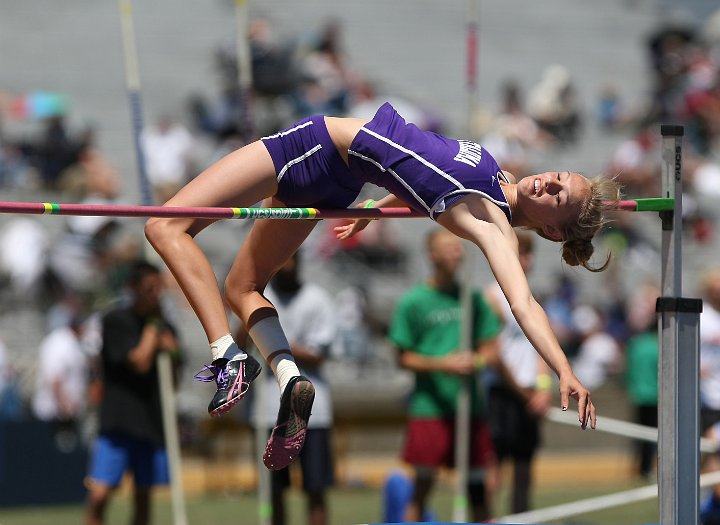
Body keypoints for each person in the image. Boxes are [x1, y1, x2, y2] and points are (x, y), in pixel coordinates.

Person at [145, 101, 611, 469]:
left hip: (321, 146)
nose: (549, 182)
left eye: (558, 196)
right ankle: (290, 379)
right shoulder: (500, 177)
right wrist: (375, 208)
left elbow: (524, 303)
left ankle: (226, 355)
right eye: (559, 176)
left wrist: (563, 369)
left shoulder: (494, 226)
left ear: (552, 232)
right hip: (344, 180)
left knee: (164, 228)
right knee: (243, 287)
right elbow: (426, 165)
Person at [388, 228, 503, 522]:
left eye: (458, 247)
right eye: (449, 247)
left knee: (479, 490)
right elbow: (402, 357)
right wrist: (444, 364)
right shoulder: (413, 302)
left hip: (469, 406)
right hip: (430, 408)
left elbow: (491, 350)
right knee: (422, 486)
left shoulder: (472, 299)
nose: (457, 252)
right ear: (432, 255)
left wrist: (473, 361)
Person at [85, 260, 181, 525]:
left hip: (150, 422)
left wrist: (171, 351)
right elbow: (139, 362)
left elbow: (173, 381)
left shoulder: (167, 329)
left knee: (143, 499)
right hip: (118, 422)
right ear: (134, 288)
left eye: (159, 289)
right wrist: (153, 327)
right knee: (100, 495)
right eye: (150, 289)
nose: (156, 295)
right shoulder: (116, 321)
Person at [252, 251, 336, 525]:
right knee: (275, 491)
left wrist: (277, 346)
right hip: (269, 408)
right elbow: (241, 338)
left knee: (315, 487)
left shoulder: (317, 298)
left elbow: (320, 354)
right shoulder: (259, 297)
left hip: (313, 410)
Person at [483, 231, 552, 513]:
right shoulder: (491, 298)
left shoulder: (531, 297)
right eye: (524, 253)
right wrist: (525, 393)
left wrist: (543, 389)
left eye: (530, 253)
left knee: (524, 471)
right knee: (494, 468)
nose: (530, 260)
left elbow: (541, 348)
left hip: (530, 394)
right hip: (502, 391)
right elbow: (493, 355)